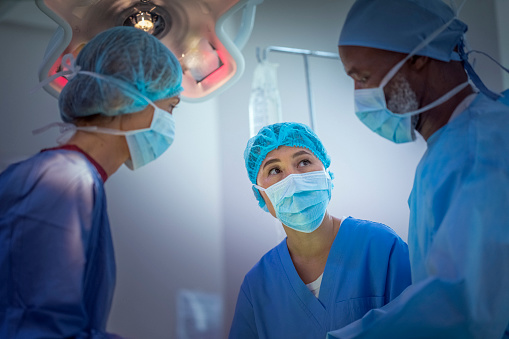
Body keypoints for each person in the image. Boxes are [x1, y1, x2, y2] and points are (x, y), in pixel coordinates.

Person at [328, 0, 509, 338]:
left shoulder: (482, 149)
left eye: (363, 77)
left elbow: (464, 307)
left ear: (418, 55)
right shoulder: (445, 153)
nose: (359, 94)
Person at [0, 26, 183, 338]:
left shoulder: (78, 180)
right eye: (170, 107)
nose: (170, 121)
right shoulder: (65, 181)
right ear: (127, 98)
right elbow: (36, 327)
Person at [228, 122, 411, 339]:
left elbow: (423, 324)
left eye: (304, 161)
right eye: (275, 170)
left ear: (326, 173)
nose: (293, 179)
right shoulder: (257, 287)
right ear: (261, 196)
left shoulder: (382, 248)